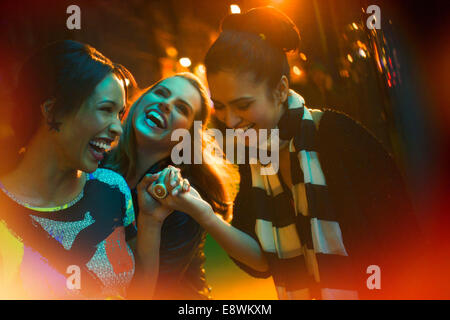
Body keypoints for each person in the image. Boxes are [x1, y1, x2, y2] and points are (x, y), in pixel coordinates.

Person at [199, 6, 422, 299]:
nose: (229, 120)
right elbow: (261, 263)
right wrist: (203, 213)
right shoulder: (253, 157)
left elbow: (406, 241)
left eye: (242, 105)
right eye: (221, 105)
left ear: (280, 90)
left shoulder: (338, 135)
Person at [0, 40, 170, 299]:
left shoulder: (112, 188)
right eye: (106, 110)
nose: (118, 129)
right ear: (52, 111)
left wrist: (152, 220)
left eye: (120, 115)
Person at [103, 72, 235, 299]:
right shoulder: (100, 162)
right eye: (161, 93)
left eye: (182, 108)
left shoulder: (179, 197)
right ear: (140, 100)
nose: (165, 104)